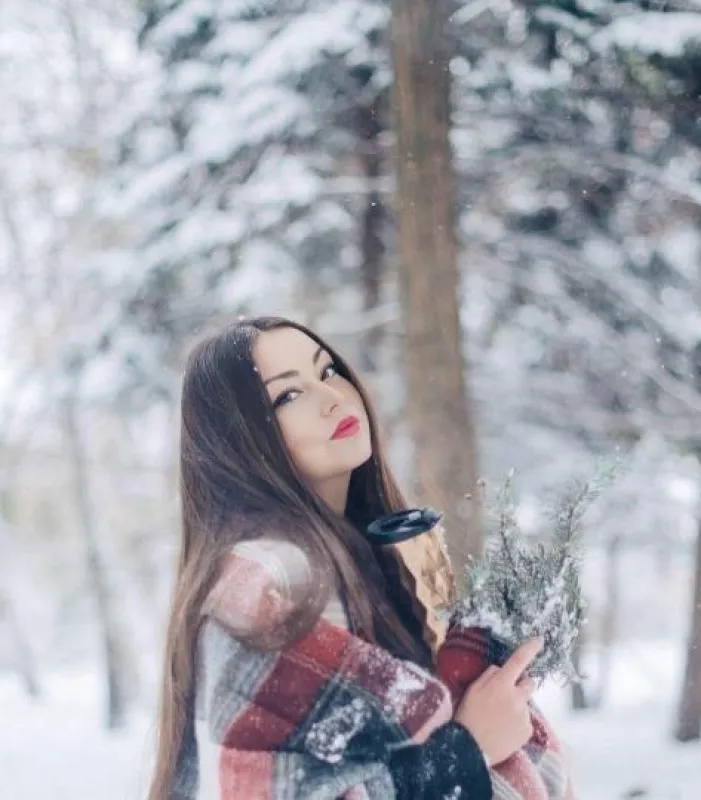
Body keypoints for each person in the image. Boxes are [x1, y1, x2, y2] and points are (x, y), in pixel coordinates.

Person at [148, 316, 545, 800]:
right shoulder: (274, 585)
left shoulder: (373, 560)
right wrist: (468, 748)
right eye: (288, 396)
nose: (333, 396)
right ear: (238, 442)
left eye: (328, 371)